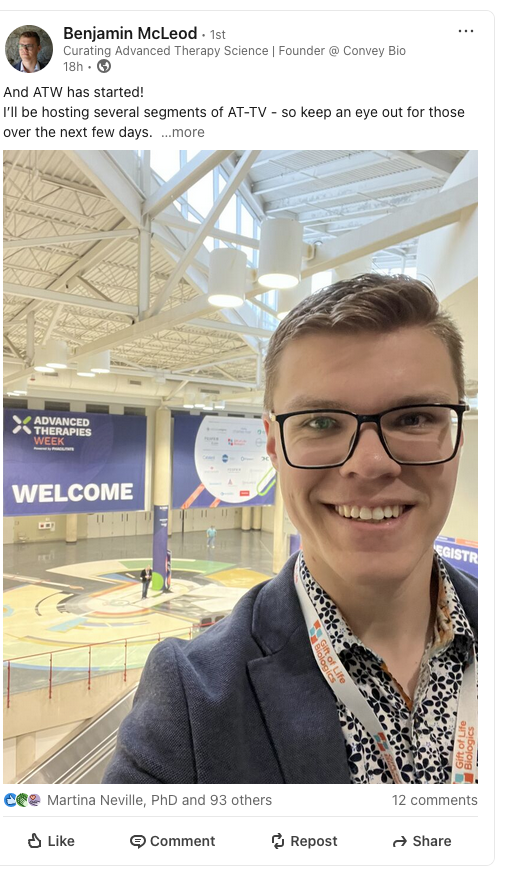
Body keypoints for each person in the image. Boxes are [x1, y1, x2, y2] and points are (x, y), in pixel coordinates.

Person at [104, 274, 477, 785]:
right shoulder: (191, 708)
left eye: (413, 418)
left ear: (455, 429)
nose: (369, 465)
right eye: (321, 422)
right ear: (273, 445)